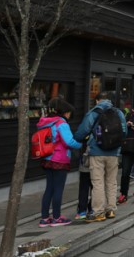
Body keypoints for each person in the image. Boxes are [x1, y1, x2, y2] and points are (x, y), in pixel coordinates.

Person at [74, 91, 127, 222]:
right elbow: (124, 131)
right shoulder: (118, 113)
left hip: (97, 152)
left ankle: (98, 211)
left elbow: (83, 131)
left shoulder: (94, 112)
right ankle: (111, 210)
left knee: (97, 182)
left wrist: (77, 139)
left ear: (98, 101)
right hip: (114, 153)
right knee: (111, 181)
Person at [37, 97, 82, 227]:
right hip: (59, 160)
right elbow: (68, 141)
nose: (69, 115)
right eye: (68, 112)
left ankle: (45, 218)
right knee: (58, 189)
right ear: (64, 111)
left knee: (49, 188)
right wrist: (80, 144)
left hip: (47, 159)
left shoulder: (45, 122)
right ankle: (57, 217)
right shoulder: (61, 123)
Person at [75, 139, 92, 221]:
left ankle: (82, 210)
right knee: (95, 188)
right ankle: (92, 208)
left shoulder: (83, 130)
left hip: (84, 164)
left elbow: (77, 139)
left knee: (83, 188)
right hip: (96, 165)